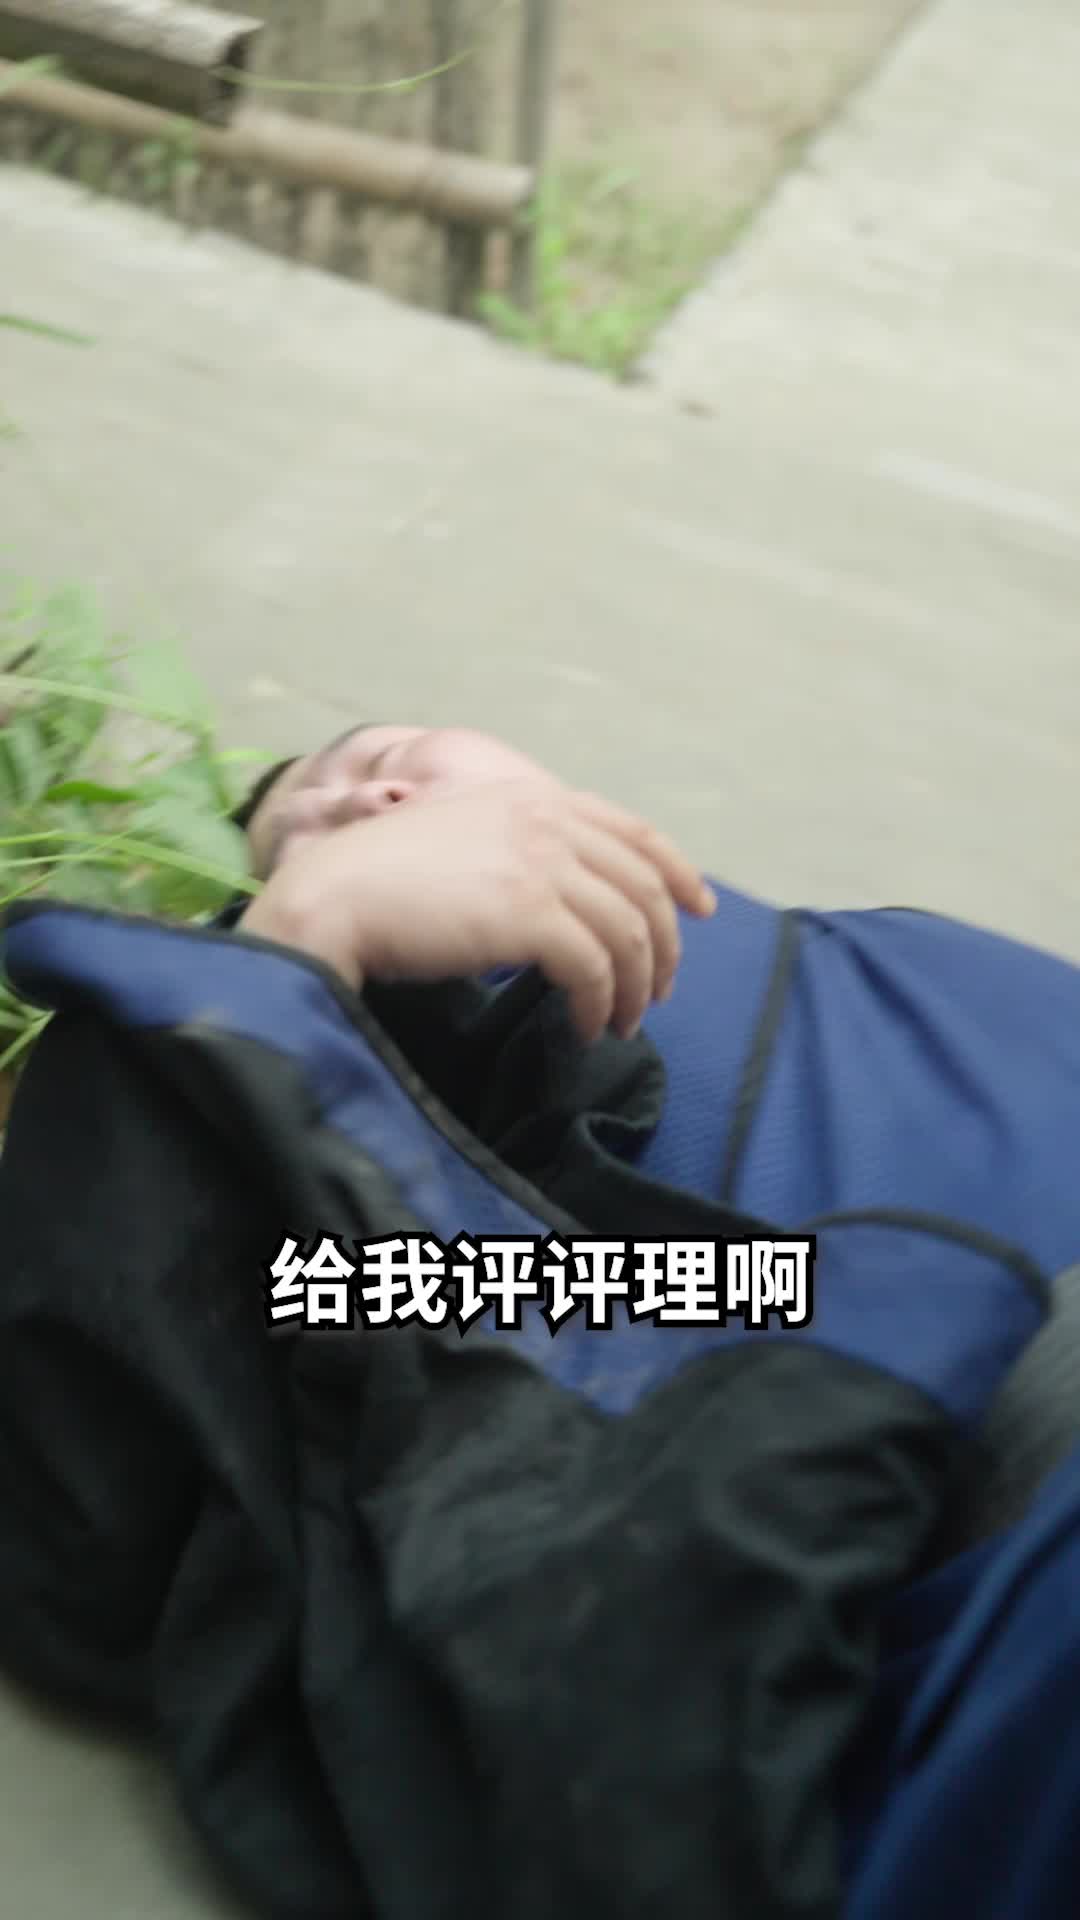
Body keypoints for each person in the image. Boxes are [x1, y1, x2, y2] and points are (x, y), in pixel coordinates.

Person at [2, 719, 1080, 1920]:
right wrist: (306, 935)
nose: (362, 801)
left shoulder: (881, 948)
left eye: (387, 756)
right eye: (305, 827)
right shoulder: (428, 1105)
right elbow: (224, 1342)